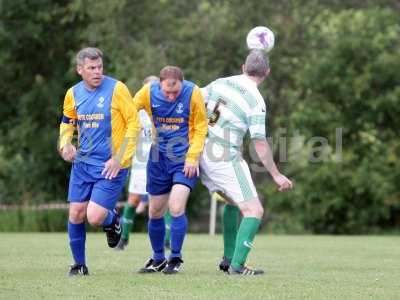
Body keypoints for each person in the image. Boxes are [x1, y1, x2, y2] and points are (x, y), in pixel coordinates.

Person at [200, 50, 293, 275]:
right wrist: (276, 174)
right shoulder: (256, 101)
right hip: (224, 157)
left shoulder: (220, 83)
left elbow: (194, 100)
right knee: (254, 210)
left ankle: (228, 258)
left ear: (243, 67)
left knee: (233, 202)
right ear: (267, 73)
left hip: (200, 150)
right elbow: (259, 143)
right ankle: (237, 266)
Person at [58, 47, 140, 276]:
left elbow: (134, 124)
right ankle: (79, 265)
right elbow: (67, 123)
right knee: (75, 213)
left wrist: (119, 158)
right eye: (91, 68)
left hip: (111, 166)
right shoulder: (72, 94)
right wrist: (66, 144)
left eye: (100, 67)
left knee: (93, 217)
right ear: (80, 70)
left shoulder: (117, 89)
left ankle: (113, 220)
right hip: (83, 164)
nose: (97, 72)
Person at [133, 66, 208, 274]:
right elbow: (129, 110)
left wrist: (193, 158)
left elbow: (201, 126)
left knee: (175, 207)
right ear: (159, 84)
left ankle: (175, 257)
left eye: (175, 92)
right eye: (167, 92)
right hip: (158, 158)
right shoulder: (148, 92)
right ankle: (158, 259)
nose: (171, 95)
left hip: (184, 159)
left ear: (182, 84)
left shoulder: (193, 93)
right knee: (155, 211)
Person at [117, 75, 172, 250]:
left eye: (156, 87)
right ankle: (123, 238)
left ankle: (167, 240)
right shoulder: (137, 111)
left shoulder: (165, 109)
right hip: (141, 163)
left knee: (168, 202)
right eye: (149, 87)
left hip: (161, 161)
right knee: (133, 200)